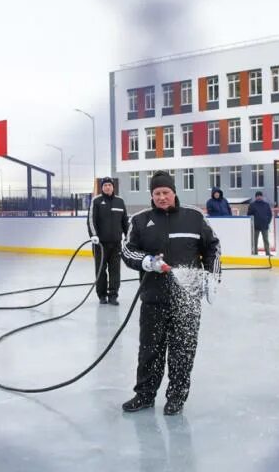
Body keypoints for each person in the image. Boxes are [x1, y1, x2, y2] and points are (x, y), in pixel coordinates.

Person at [121, 171, 221, 415]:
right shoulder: (140, 220)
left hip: (187, 299)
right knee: (149, 349)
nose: (162, 197)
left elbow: (213, 247)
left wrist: (212, 276)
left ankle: (176, 396)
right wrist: (147, 262)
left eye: (166, 192)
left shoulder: (194, 217)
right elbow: (127, 251)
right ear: (152, 196)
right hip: (153, 298)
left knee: (182, 351)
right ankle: (144, 395)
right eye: (157, 193)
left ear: (174, 192)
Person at [87, 177, 129, 305]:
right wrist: (93, 235)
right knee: (101, 271)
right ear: (102, 187)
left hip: (116, 244)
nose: (107, 187)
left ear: (113, 187)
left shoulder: (120, 202)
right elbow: (90, 220)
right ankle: (102, 295)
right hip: (100, 244)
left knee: (115, 270)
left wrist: (128, 237)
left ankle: (113, 295)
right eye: (105, 185)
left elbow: (125, 221)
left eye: (109, 185)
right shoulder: (97, 201)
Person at [246, 191, 273, 256]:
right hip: (255, 226)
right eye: (257, 196)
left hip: (264, 226)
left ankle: (268, 253)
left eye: (260, 196)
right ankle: (255, 253)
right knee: (255, 241)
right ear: (255, 197)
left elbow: (270, 214)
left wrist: (267, 222)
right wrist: (252, 224)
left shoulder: (266, 204)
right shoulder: (252, 205)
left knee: (266, 240)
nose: (259, 197)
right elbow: (249, 215)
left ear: (262, 196)